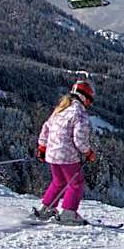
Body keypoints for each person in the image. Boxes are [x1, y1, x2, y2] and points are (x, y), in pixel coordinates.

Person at [33, 80, 97, 225]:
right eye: (89, 100)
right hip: (67, 155)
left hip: (51, 153)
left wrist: (42, 148)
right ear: (83, 97)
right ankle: (69, 212)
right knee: (76, 182)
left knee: (58, 181)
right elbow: (79, 139)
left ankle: (46, 209)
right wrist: (88, 153)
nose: (89, 103)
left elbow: (45, 128)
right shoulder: (79, 113)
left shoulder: (60, 109)